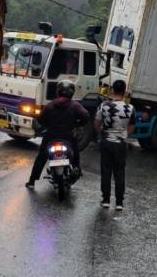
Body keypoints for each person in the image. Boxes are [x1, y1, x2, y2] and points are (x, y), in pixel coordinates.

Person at [25, 80, 89, 189]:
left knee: (41, 157)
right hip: (68, 136)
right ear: (71, 92)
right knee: (75, 153)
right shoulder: (75, 106)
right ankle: (76, 169)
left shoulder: (50, 105)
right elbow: (86, 116)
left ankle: (32, 181)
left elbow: (41, 120)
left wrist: (47, 126)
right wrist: (76, 124)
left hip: (51, 136)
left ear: (58, 91)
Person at [95, 80, 135, 211]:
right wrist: (123, 135)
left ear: (112, 90)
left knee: (106, 171)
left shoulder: (104, 106)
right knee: (120, 172)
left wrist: (102, 132)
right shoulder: (130, 108)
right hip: (121, 144)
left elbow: (97, 124)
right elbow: (131, 127)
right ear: (124, 92)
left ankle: (106, 200)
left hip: (106, 141)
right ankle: (119, 203)